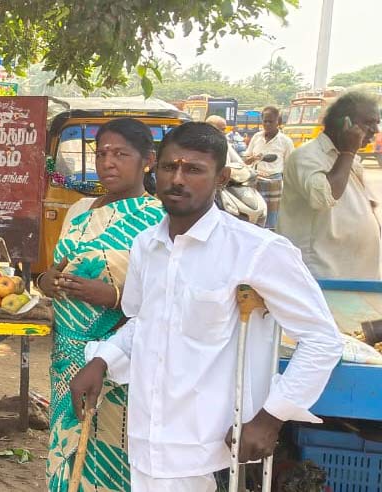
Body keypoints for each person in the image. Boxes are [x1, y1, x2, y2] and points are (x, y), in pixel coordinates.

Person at [70, 122, 343, 492]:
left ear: (221, 177)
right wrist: (103, 360)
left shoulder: (258, 250)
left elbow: (322, 339)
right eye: (169, 167)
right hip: (147, 436)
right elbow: (145, 322)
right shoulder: (146, 246)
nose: (177, 179)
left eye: (194, 169)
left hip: (212, 446)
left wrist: (271, 417)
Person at [39, 118, 165, 492]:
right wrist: (47, 281)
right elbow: (54, 270)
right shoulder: (79, 210)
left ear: (148, 160)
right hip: (67, 353)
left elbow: (165, 300)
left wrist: (111, 296)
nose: (108, 162)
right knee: (66, 449)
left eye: (121, 154)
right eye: (102, 153)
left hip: (120, 357)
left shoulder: (158, 220)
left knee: (111, 453)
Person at [277, 91, 382, 280]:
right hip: (321, 274)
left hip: (352, 274)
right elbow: (325, 196)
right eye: (368, 122)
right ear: (344, 124)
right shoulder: (307, 156)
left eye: (377, 122)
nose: (375, 130)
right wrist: (349, 151)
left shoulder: (347, 159)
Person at [243, 106, 295, 229]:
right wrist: (253, 158)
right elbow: (246, 159)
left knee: (271, 220)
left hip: (274, 183)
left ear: (279, 122)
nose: (267, 124)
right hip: (255, 180)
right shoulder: (256, 137)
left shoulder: (285, 141)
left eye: (270, 121)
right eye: (265, 121)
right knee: (254, 217)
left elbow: (290, 166)